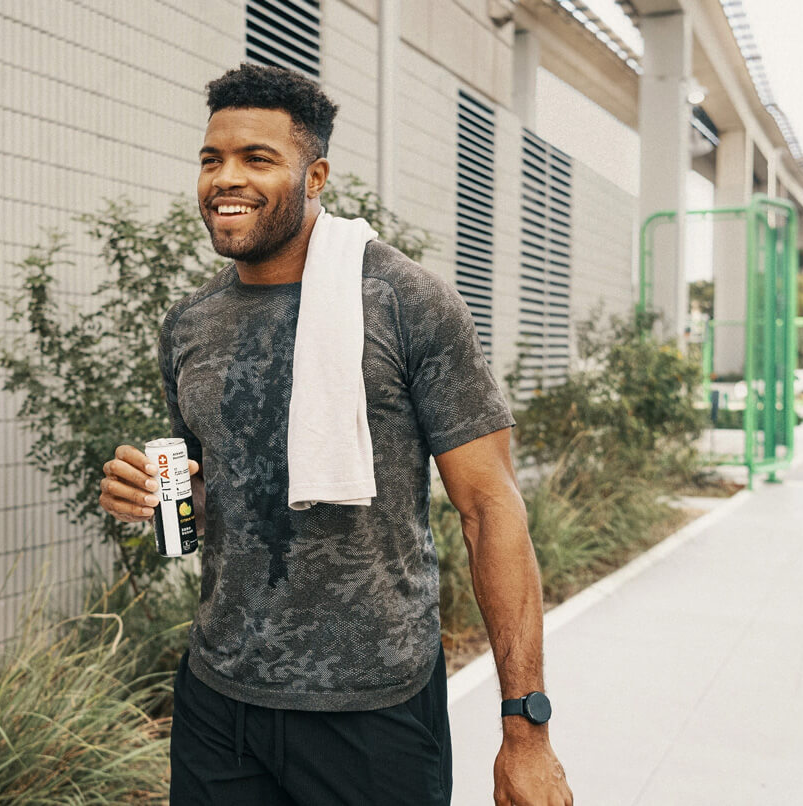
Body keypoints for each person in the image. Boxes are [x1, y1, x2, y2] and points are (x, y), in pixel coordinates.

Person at [96, 64, 572, 806]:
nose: (226, 178)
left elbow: (491, 509)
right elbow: (214, 494)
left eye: (257, 159)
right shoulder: (189, 324)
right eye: (211, 159)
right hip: (220, 698)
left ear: (314, 175)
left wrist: (526, 729)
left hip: (373, 706)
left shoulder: (405, 301)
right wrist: (154, 497)